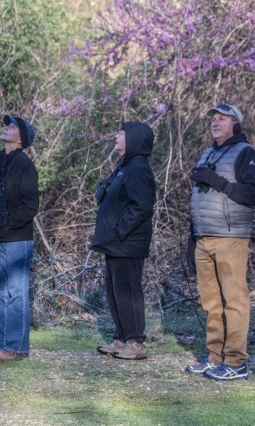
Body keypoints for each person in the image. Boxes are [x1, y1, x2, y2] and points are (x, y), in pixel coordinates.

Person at [185, 103, 255, 380]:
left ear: (236, 124)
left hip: (231, 238)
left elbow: (253, 195)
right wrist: (192, 236)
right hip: (204, 237)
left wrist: (218, 181)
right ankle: (214, 358)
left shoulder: (246, 153)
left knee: (234, 300)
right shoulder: (208, 153)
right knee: (211, 303)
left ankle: (235, 362)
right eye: (214, 118)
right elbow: (198, 201)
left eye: (223, 118)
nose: (215, 122)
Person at [91, 121, 156, 360]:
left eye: (121, 133)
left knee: (128, 291)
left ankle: (136, 342)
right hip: (115, 243)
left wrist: (120, 230)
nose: (117, 136)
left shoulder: (139, 168)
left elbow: (142, 206)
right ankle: (121, 337)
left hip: (128, 242)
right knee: (115, 290)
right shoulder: (125, 166)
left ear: (134, 139)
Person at [0, 115, 38, 362]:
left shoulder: (25, 165)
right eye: (7, 124)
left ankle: (16, 348)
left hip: (17, 239)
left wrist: (6, 224)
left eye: (12, 126)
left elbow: (30, 206)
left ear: (21, 138)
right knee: (0, 294)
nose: (6, 127)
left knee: (16, 293)